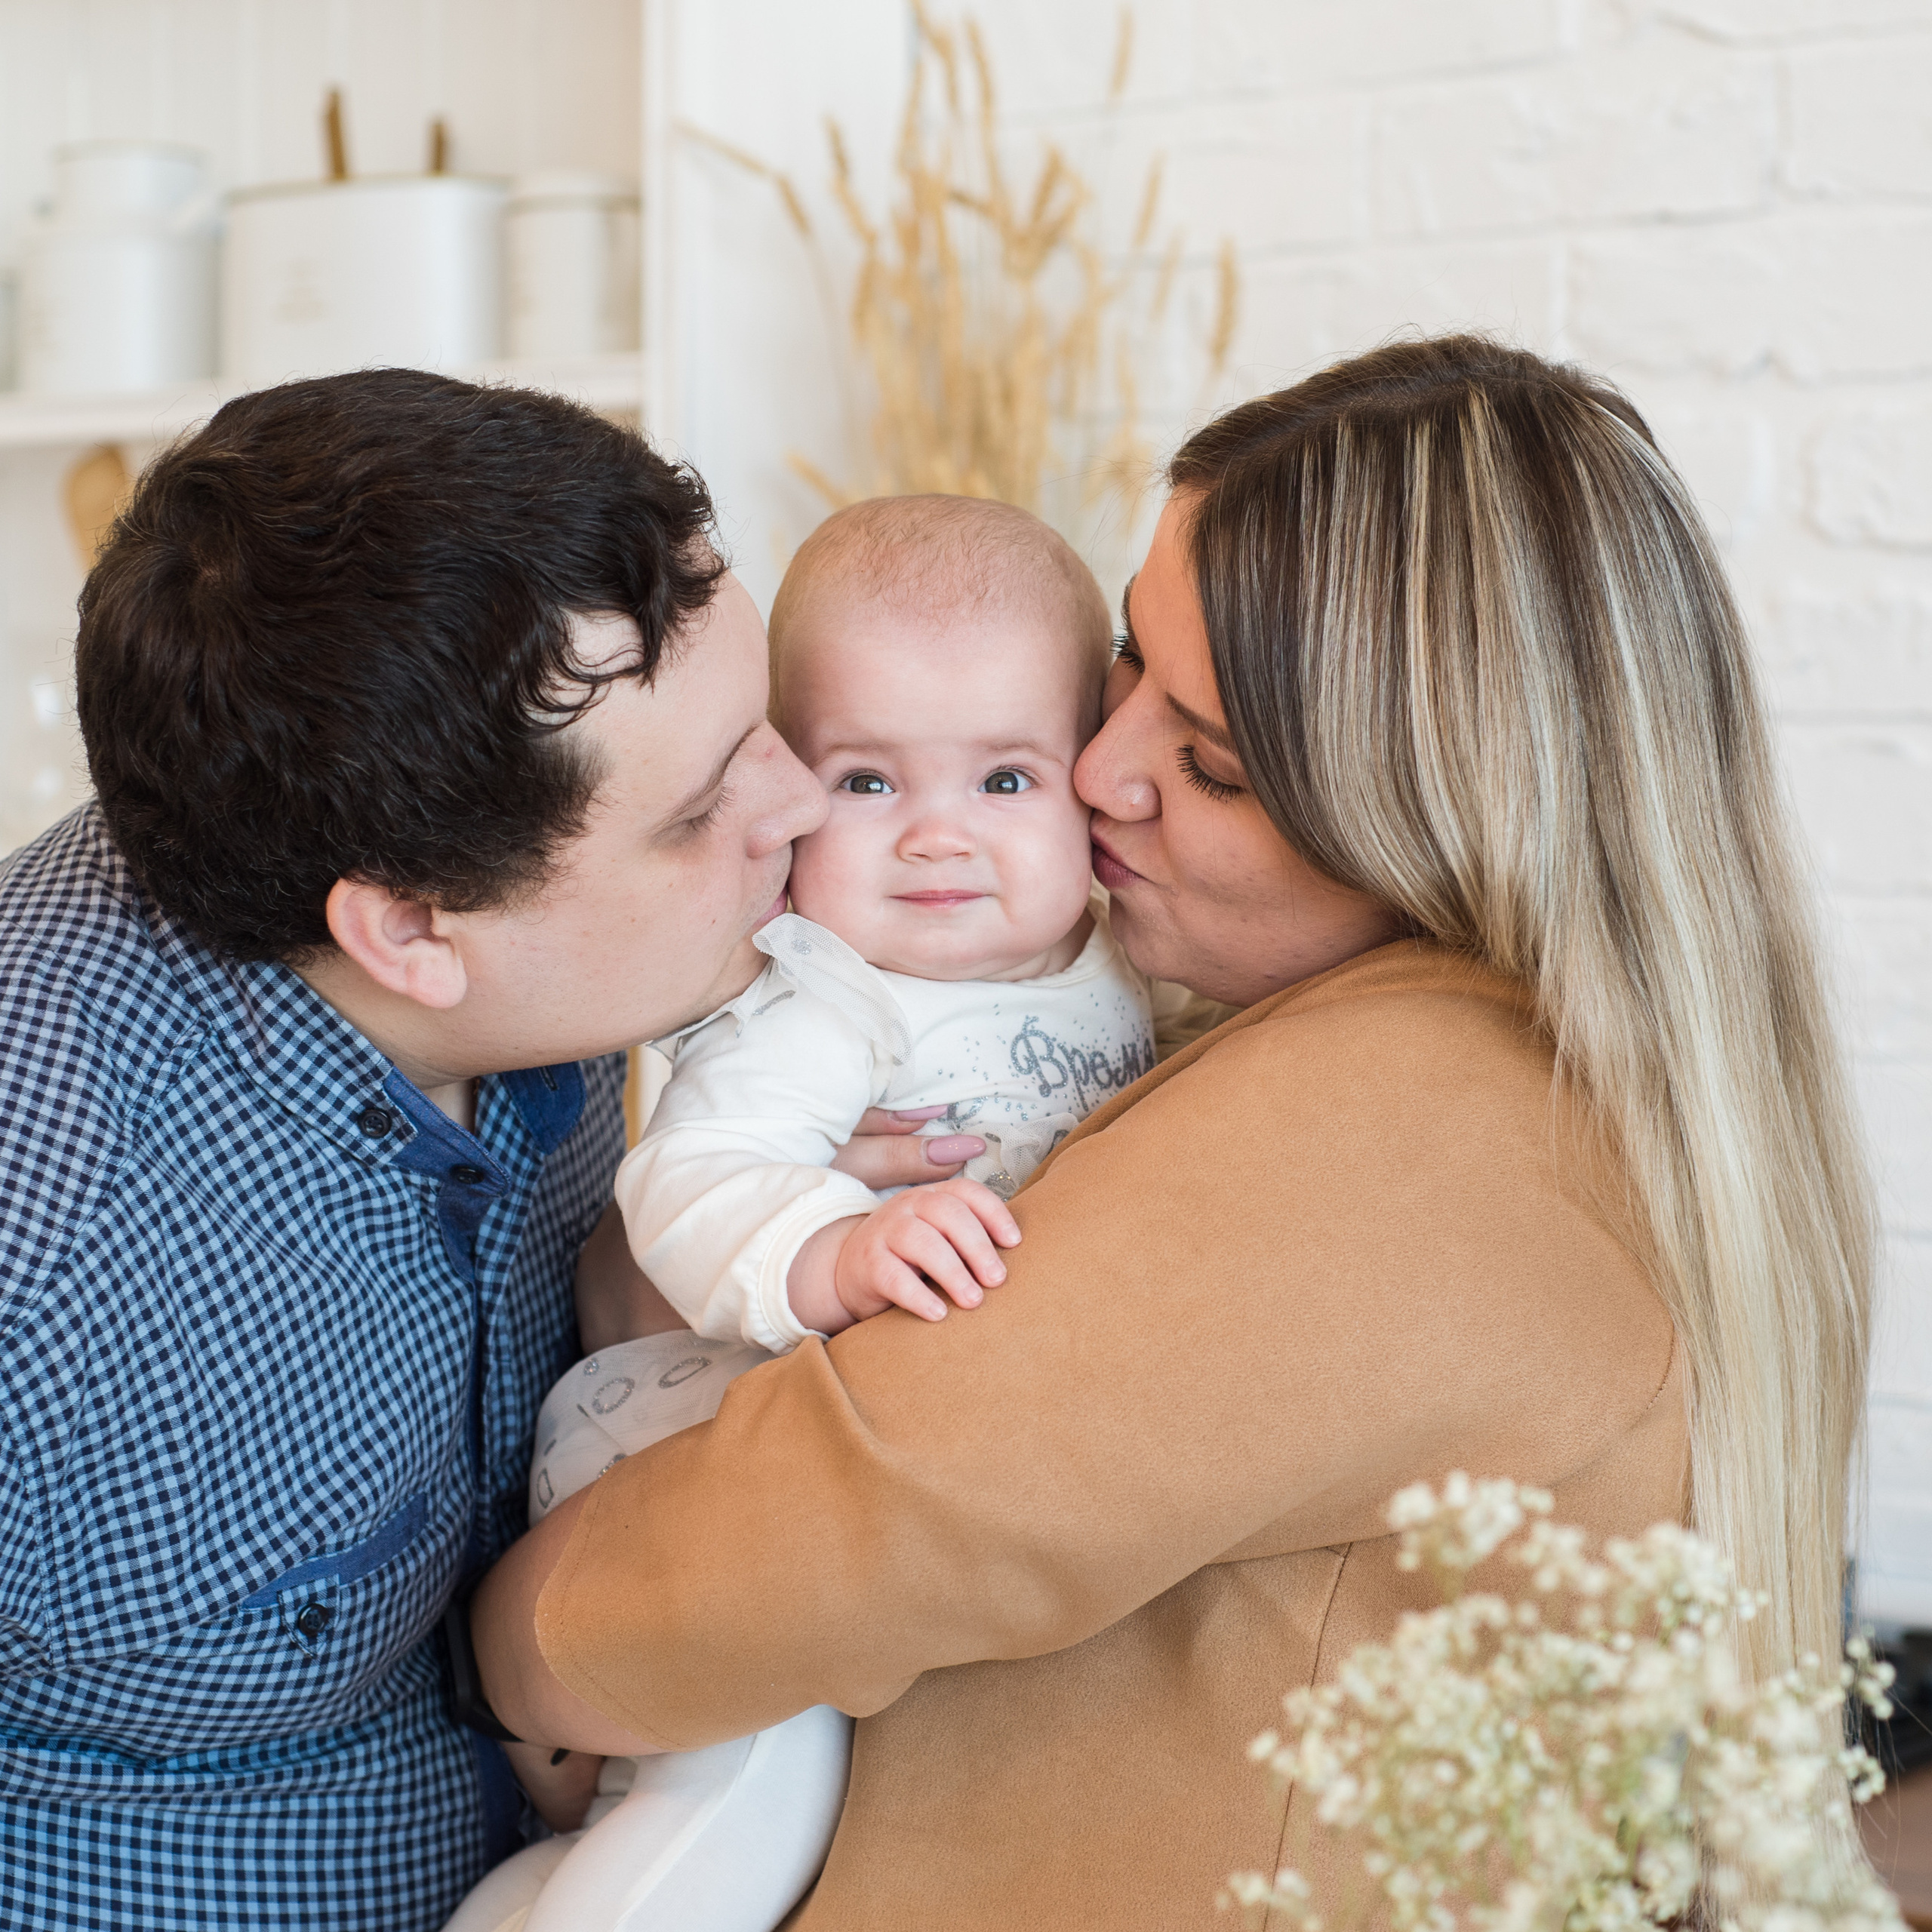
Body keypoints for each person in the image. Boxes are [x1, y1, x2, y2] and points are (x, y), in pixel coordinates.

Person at [470, 336, 1874, 1929]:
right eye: (1129, 666)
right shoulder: (1471, 1066)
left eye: (1205, 761)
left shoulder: (1411, 1110)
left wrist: (508, 1646)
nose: (1099, 770)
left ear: (1434, 814)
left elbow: (871, 1511)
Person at [0, 371, 964, 1930]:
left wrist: (640, 1276)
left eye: (767, 726)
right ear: (411, 931)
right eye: (709, 802)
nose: (803, 800)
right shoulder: (48, 1274)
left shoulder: (464, 858)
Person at [449, 494, 1199, 1932]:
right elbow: (689, 1176)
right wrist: (833, 1249)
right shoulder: (819, 1000)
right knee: (749, 1793)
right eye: (867, 783)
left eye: (1002, 781)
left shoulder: (1110, 961)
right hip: (682, 1437)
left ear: (1087, 781)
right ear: (788, 780)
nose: (935, 839)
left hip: (843, 1467)